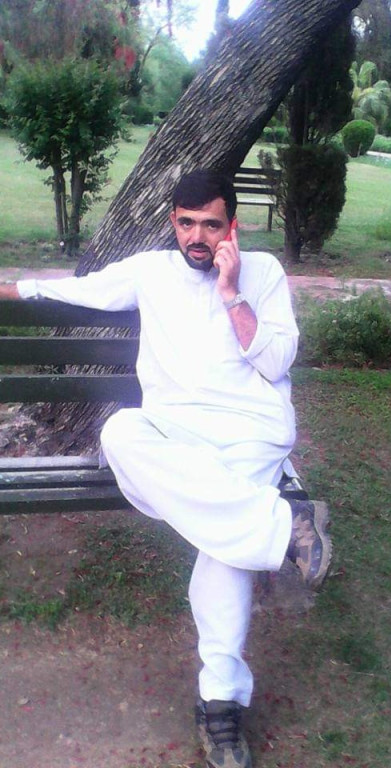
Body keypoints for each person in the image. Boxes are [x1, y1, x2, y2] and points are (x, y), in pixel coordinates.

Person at [0, 170, 332, 768]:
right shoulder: (149, 272)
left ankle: (220, 704)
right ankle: (286, 525)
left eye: (211, 224)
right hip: (176, 440)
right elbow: (81, 290)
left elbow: (278, 361)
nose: (197, 237)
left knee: (224, 547)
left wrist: (231, 291)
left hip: (250, 436)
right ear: (172, 223)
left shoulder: (263, 274)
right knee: (121, 433)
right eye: (186, 223)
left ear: (233, 225)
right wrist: (12, 289)